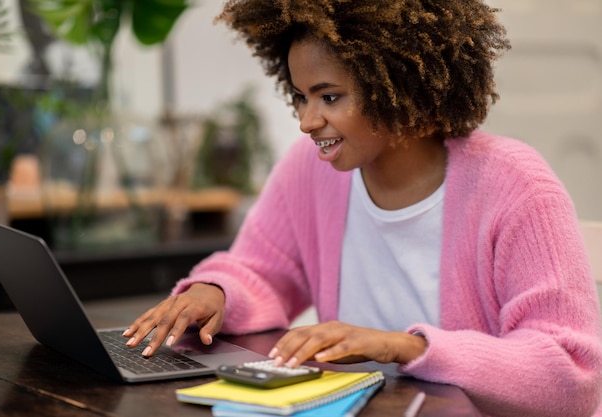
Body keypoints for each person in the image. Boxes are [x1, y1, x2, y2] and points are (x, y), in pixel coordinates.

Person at [123, 1, 602, 416]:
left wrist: (403, 346)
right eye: (300, 97)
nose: (309, 122)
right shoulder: (308, 171)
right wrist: (216, 292)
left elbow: (571, 378)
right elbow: (262, 269)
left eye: (329, 97)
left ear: (401, 84)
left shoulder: (516, 186)